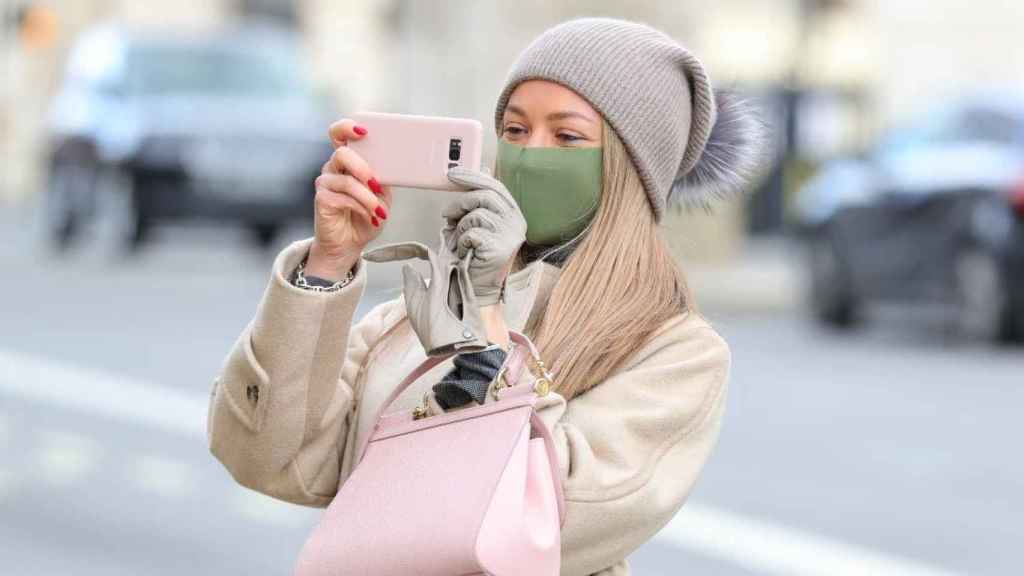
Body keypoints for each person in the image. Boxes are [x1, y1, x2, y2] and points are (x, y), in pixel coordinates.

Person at [207, 16, 765, 576]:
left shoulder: (677, 351)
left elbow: (542, 526)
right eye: (515, 130)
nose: (530, 153)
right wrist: (327, 266)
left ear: (630, 166)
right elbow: (267, 458)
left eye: (567, 136)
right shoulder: (415, 312)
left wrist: (482, 328)